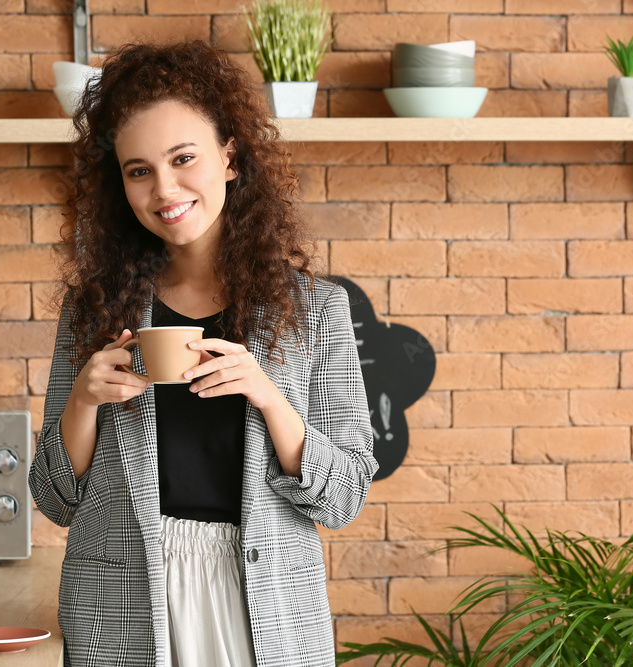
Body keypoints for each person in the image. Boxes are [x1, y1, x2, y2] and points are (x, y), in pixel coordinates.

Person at [29, 40, 378, 667]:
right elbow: (55, 499)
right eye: (139, 170)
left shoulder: (316, 310)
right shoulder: (93, 309)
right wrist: (83, 399)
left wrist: (268, 396)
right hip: (123, 604)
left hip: (267, 605)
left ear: (231, 156)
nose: (165, 189)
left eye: (183, 158)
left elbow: (345, 496)